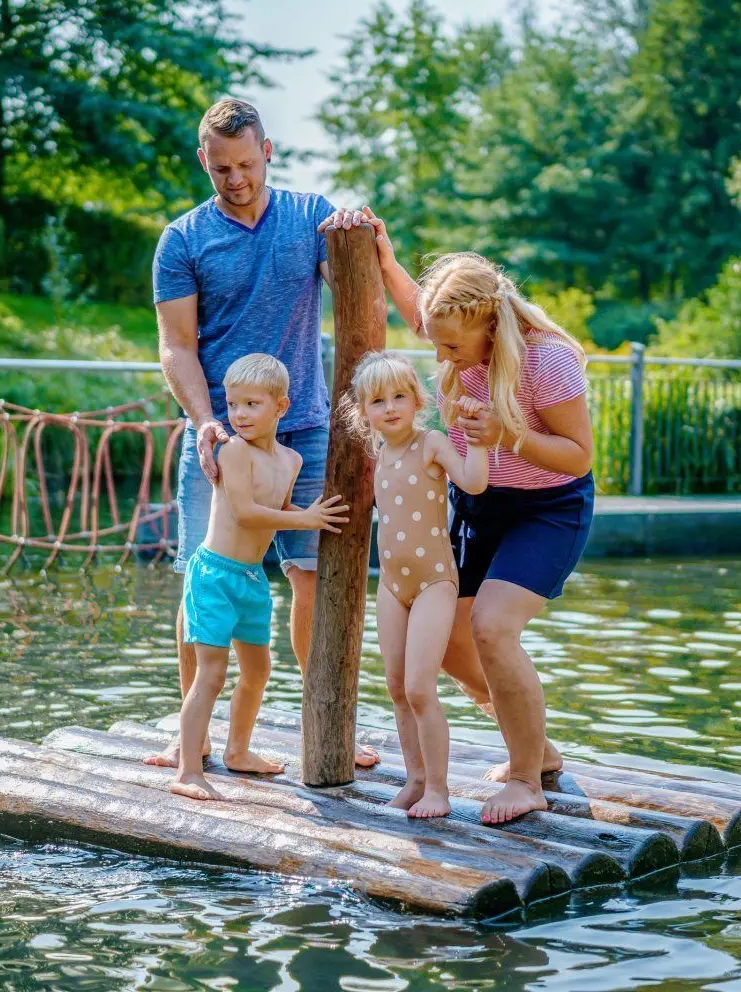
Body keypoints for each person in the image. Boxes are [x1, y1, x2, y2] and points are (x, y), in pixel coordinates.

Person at [322, 211, 595, 825]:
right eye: (435, 339)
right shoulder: (454, 328)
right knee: (445, 643)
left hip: (547, 507)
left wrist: (509, 435)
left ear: (488, 323)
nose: (438, 353)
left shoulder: (548, 361)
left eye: (449, 344)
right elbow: (422, 310)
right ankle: (538, 746)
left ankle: (526, 779)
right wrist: (386, 258)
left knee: (493, 629)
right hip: (479, 502)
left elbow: (578, 459)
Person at [152, 97, 381, 769]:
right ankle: (187, 730)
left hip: (305, 429)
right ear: (205, 161)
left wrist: (355, 229)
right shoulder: (184, 239)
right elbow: (176, 347)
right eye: (222, 168)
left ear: (268, 152)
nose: (237, 180)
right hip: (219, 437)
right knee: (204, 578)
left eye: (247, 164)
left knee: (309, 576)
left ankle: (326, 720)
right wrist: (204, 422)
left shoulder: (310, 217)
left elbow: (355, 287)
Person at [164, 353, 351, 801]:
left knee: (259, 669)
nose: (240, 415)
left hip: (250, 578)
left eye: (252, 404)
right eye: (233, 405)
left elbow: (278, 508)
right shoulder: (232, 453)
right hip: (214, 575)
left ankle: (238, 750)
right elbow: (246, 514)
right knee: (212, 673)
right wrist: (307, 520)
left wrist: (302, 514)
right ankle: (188, 770)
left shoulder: (290, 460)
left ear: (281, 407)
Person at [344, 352, 490, 818]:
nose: (390, 408)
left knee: (421, 687)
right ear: (363, 411)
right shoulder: (379, 454)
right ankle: (415, 778)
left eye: (400, 396)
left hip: (433, 582)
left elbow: (474, 482)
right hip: (391, 585)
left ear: (417, 400)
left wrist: (478, 442)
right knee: (395, 685)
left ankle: (440, 791)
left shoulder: (430, 443)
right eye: (378, 401)